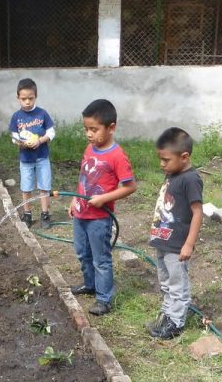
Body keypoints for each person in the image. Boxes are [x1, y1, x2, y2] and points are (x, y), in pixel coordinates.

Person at [68, 99, 136, 316]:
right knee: (82, 252)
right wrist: (74, 199)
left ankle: (104, 299)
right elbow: (84, 176)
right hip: (81, 213)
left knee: (101, 259)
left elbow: (130, 186)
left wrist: (104, 198)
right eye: (86, 129)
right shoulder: (90, 149)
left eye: (94, 129)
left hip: (99, 218)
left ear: (111, 127)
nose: (89, 134)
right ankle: (90, 284)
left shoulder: (117, 156)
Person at [145, 127, 203, 339]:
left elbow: (197, 213)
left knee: (177, 283)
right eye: (160, 159)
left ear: (184, 156)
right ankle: (167, 315)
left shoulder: (191, 179)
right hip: (163, 239)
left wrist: (188, 244)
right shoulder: (172, 174)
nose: (162, 164)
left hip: (177, 244)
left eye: (166, 160)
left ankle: (176, 322)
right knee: (165, 281)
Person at [8, 78, 55, 229]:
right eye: (23, 99)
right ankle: (27, 214)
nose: (27, 102)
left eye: (30, 98)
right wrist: (20, 142)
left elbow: (51, 132)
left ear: (36, 96)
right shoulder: (16, 116)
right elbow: (14, 136)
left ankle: (45, 214)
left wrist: (40, 141)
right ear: (18, 98)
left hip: (42, 158)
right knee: (26, 187)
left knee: (44, 186)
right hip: (26, 159)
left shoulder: (42, 114)